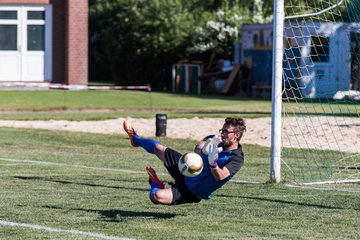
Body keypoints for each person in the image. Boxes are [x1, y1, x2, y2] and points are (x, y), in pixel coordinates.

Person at [123, 117, 246, 205]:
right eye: (222, 130)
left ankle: (155, 184)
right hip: (185, 167)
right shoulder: (214, 140)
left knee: (156, 196)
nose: (222, 134)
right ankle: (135, 139)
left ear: (236, 135)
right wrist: (205, 149)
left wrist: (213, 163)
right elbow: (198, 148)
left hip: (191, 191)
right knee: (158, 148)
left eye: (226, 131)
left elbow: (221, 176)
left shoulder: (236, 158)